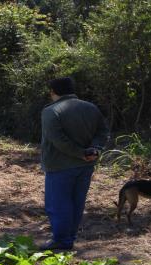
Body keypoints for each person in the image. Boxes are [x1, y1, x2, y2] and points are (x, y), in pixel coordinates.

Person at [40, 77, 109, 250]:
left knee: (58, 204)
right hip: (86, 166)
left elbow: (58, 140)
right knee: (77, 203)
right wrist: (94, 149)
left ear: (53, 92)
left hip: (60, 165)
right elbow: (103, 132)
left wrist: (80, 153)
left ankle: (62, 241)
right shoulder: (91, 108)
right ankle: (69, 238)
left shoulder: (51, 111)